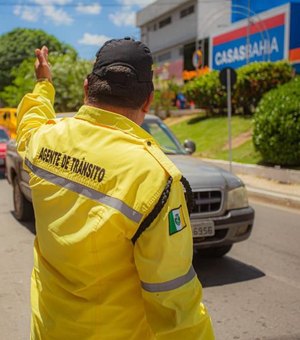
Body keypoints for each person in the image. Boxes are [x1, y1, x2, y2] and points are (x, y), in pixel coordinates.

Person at [16, 38, 214, 339]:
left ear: (86, 88)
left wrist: (44, 83)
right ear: (147, 101)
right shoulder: (153, 177)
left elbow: (30, 122)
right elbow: (174, 302)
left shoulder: (45, 140)